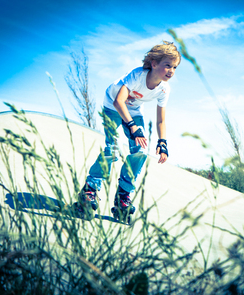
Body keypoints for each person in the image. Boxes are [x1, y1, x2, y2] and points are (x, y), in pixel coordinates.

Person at [77, 41, 181, 217]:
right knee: (113, 149)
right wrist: (133, 127)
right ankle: (90, 189)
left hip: (133, 110)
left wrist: (163, 142)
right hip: (112, 105)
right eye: (168, 65)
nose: (171, 70)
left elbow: (161, 120)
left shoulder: (164, 89)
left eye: (175, 67)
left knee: (141, 150)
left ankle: (123, 194)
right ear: (154, 64)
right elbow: (119, 101)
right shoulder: (138, 75)